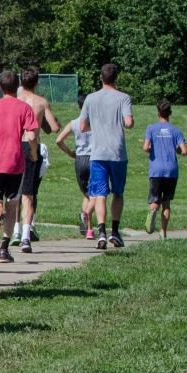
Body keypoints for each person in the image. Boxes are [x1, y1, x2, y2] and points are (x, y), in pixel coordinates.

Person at [0, 69, 39, 264]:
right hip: (15, 160)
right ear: (17, 87)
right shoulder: (24, 108)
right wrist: (33, 152)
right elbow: (31, 135)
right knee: (13, 204)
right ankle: (4, 248)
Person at [78, 63, 135, 250]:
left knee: (100, 194)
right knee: (118, 193)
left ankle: (101, 232)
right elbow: (129, 123)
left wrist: (97, 125)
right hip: (117, 152)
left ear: (101, 78)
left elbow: (83, 126)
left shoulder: (91, 99)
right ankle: (115, 231)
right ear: (116, 78)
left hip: (98, 153)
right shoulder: (124, 98)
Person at [14, 67, 61, 252]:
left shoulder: (15, 100)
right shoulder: (41, 102)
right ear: (37, 82)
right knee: (29, 193)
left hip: (14, 145)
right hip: (31, 145)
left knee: (14, 192)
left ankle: (15, 230)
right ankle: (26, 235)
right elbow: (55, 127)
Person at [143, 100, 187, 238]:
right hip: (171, 171)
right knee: (166, 203)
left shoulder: (151, 128)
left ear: (158, 113)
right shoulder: (176, 130)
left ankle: (152, 212)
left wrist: (151, 149)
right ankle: (163, 232)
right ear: (170, 113)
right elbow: (185, 151)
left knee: (155, 200)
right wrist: (177, 150)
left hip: (156, 170)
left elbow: (145, 147)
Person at [54, 93, 95, 239]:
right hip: (94, 159)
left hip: (80, 159)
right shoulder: (96, 122)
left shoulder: (73, 123)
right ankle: (86, 218)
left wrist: (70, 153)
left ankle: (88, 226)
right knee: (96, 194)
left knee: (86, 194)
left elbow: (58, 140)